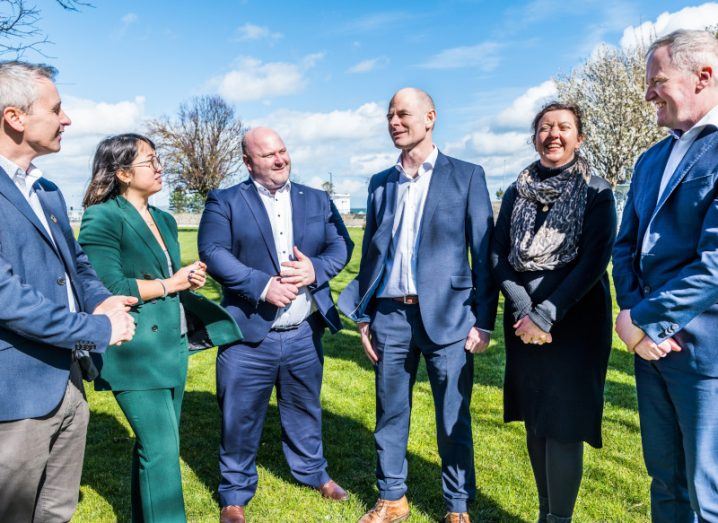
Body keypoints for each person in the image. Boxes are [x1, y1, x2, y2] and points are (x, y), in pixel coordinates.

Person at [338, 87, 498, 523]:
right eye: (389, 115)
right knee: (390, 412)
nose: (394, 122)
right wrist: (365, 316)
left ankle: (457, 506)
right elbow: (371, 255)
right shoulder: (379, 183)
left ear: (430, 117)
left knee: (453, 418)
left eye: (403, 114)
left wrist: (485, 321)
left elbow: (484, 254)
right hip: (390, 317)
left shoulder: (466, 175)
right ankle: (392, 497)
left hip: (450, 317)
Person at [78, 133, 242, 523]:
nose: (159, 167)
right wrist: (173, 283)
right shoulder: (102, 216)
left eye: (158, 159)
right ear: (121, 173)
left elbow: (165, 278)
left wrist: (187, 279)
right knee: (163, 450)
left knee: (156, 448)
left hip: (172, 346)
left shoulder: (166, 219)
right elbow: (109, 287)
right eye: (149, 161)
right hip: (133, 351)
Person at [0, 61, 136, 522]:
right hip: (14, 393)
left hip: (69, 380)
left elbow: (76, 264)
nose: (67, 119)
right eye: (56, 109)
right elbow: (9, 301)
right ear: (15, 117)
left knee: (58, 510)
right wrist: (98, 327)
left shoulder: (48, 189)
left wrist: (100, 298)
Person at [198, 126, 354, 523]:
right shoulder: (226, 201)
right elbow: (212, 252)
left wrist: (315, 269)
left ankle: (313, 473)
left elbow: (342, 245)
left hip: (303, 332)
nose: (280, 159)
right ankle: (234, 493)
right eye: (269, 155)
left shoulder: (316, 199)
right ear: (249, 162)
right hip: (249, 333)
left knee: (304, 407)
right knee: (240, 414)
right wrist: (262, 285)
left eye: (283, 151)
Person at [490, 102, 616, 523]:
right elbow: (496, 254)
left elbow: (594, 259)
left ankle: (559, 519)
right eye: (544, 128)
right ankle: (545, 513)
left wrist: (546, 314)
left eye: (564, 127)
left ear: (579, 138)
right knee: (535, 418)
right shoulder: (515, 191)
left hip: (575, 324)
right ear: (534, 137)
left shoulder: (596, 191)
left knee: (564, 423)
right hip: (523, 324)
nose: (553, 134)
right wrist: (525, 308)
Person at [613, 29, 718, 521]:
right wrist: (635, 321)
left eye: (657, 80)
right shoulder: (650, 158)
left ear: (704, 76)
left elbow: (714, 264)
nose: (648, 93)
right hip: (650, 351)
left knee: (708, 494)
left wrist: (645, 320)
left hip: (703, 356)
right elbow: (626, 245)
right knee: (665, 481)